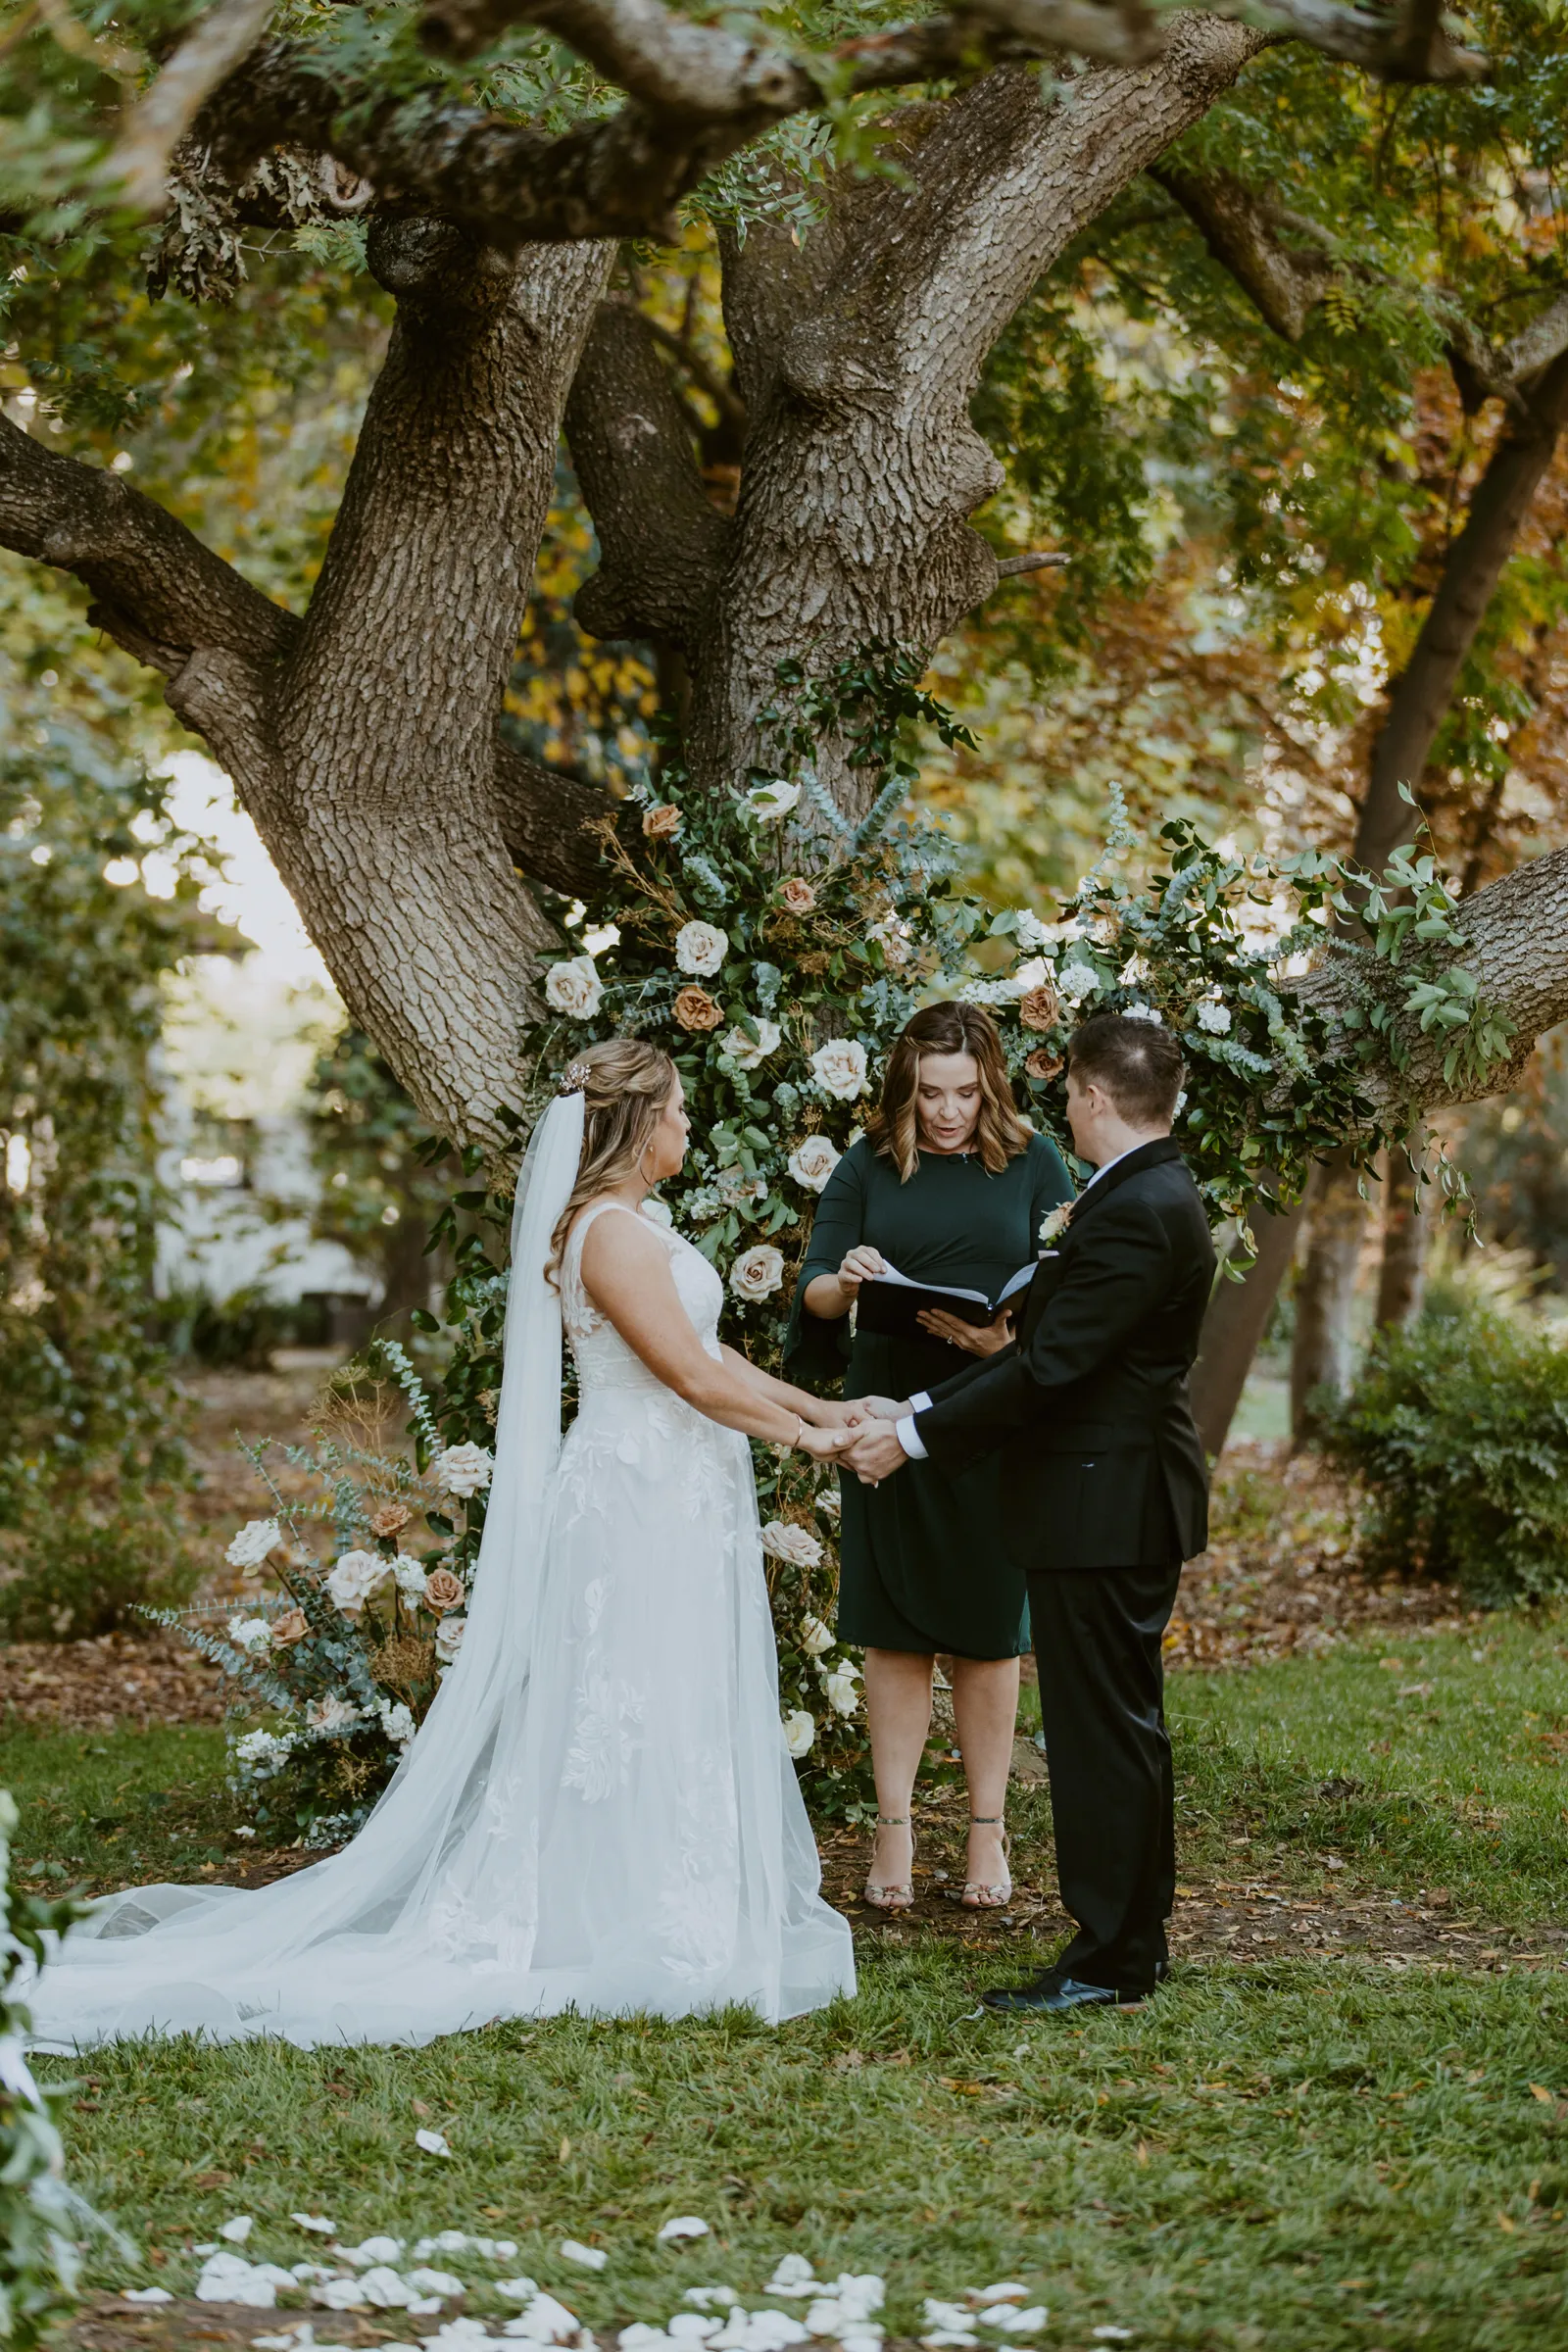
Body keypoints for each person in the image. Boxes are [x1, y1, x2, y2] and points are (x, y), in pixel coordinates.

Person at [28, 1041, 858, 2048]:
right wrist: (815, 1444)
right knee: (624, 1690)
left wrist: (821, 1404)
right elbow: (685, 1376)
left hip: (674, 1489)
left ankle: (669, 1898)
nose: (688, 1126)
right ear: (639, 1125)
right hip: (634, 1494)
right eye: (679, 1111)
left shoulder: (639, 1227)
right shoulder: (608, 1235)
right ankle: (615, 1916)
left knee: (667, 1686)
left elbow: (715, 1354)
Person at [844, 1012, 1215, 2013]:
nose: (1064, 1111)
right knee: (1120, 1730)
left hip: (1108, 1502)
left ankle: (1105, 1960)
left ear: (1094, 1097)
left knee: (1102, 1738)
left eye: (1070, 1096)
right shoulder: (1143, 1192)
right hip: (1110, 1497)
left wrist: (911, 1431)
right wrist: (927, 1403)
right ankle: (1130, 1943)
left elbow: (1050, 1368)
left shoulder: (1137, 1207)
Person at [785, 1002, 1072, 1914]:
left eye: (964, 1091)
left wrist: (1008, 1347)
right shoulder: (864, 1166)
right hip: (885, 1407)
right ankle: (894, 1824)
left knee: (991, 1630)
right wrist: (850, 1278)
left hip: (993, 1409)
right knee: (895, 1626)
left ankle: (988, 1829)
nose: (948, 1110)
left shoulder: (1036, 1164)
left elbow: (1062, 1290)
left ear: (991, 1082)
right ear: (903, 1085)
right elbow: (817, 1294)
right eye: (930, 1092)